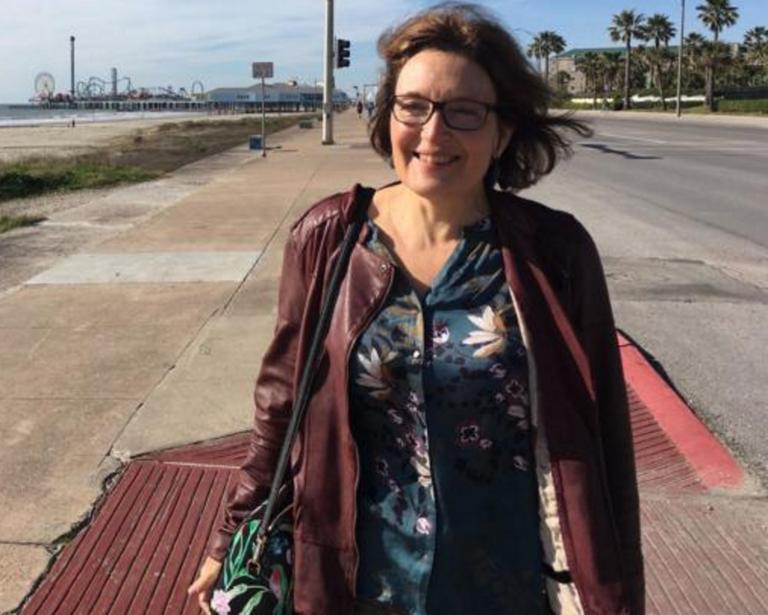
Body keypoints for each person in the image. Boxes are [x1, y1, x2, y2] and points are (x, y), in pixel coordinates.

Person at [189, 3, 644, 614]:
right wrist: (231, 535)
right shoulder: (328, 238)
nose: (433, 134)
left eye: (464, 111)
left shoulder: (555, 252)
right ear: (388, 115)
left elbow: (605, 441)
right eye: (414, 106)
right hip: (357, 581)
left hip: (508, 585)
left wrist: (618, 589)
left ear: (503, 131)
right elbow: (281, 401)